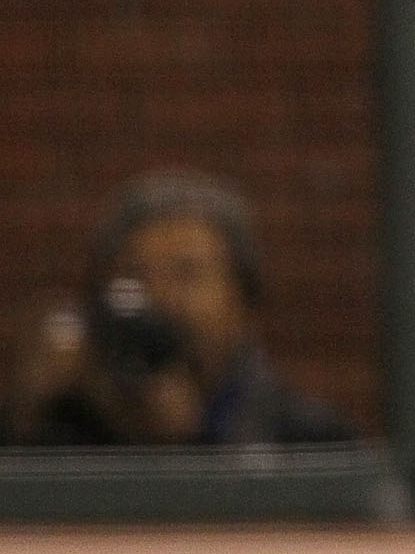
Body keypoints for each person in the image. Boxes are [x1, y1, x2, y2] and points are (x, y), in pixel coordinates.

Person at [7, 171, 352, 448]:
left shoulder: (307, 440)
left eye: (187, 273)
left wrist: (188, 442)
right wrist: (27, 411)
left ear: (243, 304)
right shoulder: (63, 428)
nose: (160, 297)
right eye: (134, 274)